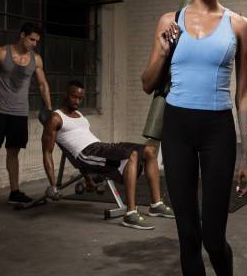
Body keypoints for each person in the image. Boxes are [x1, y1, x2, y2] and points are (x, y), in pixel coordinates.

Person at [141, 0, 247, 276]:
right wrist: (162, 50)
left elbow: (244, 92)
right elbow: (148, 84)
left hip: (217, 131)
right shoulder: (168, 22)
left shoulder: (240, 26)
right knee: (188, 235)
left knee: (213, 237)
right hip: (177, 129)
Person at [41, 80, 174, 230]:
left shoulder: (78, 114)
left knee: (149, 151)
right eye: (74, 97)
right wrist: (53, 184)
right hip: (86, 152)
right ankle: (130, 214)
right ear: (66, 95)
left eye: (80, 98)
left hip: (100, 146)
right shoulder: (55, 118)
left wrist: (88, 180)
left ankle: (156, 205)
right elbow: (47, 152)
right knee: (132, 155)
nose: (77, 101)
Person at [0, 23, 52, 207]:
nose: (34, 43)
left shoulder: (36, 59)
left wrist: (48, 107)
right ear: (22, 35)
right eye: (31, 39)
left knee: (13, 152)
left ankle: (14, 192)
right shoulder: (2, 52)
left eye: (37, 41)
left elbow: (42, 84)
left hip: (19, 112)